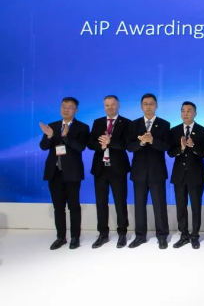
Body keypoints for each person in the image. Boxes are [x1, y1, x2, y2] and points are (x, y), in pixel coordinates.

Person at [39, 97, 89, 250]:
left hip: (72, 173)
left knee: (74, 207)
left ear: (76, 110)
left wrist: (66, 137)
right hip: (55, 173)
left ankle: (75, 237)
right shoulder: (53, 126)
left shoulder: (82, 127)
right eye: (63, 106)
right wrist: (49, 136)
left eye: (69, 107)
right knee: (58, 207)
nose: (66, 109)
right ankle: (60, 237)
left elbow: (81, 147)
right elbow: (43, 147)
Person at [126, 93, 171, 249]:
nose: (148, 106)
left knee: (160, 205)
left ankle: (162, 236)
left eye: (151, 103)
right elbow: (129, 146)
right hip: (138, 172)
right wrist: (141, 143)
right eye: (145, 104)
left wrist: (152, 141)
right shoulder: (134, 124)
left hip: (157, 172)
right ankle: (140, 236)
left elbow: (167, 146)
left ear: (156, 105)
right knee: (139, 206)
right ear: (141, 106)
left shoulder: (164, 124)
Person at [87, 95, 131, 249]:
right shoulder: (98, 122)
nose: (110, 107)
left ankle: (122, 233)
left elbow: (127, 144)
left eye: (112, 105)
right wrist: (101, 145)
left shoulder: (126, 123)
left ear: (118, 105)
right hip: (100, 169)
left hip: (118, 169)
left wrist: (110, 142)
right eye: (107, 105)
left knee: (120, 202)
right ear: (104, 106)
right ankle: (103, 234)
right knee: (101, 203)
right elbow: (90, 143)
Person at [168, 101, 204, 249]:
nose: (185, 113)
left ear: (195, 113)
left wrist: (194, 147)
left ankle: (195, 235)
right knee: (181, 206)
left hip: (196, 175)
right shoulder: (174, 131)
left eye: (189, 111)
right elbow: (170, 152)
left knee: (196, 206)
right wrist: (181, 148)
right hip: (179, 175)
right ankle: (184, 235)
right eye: (183, 111)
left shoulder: (203, 131)